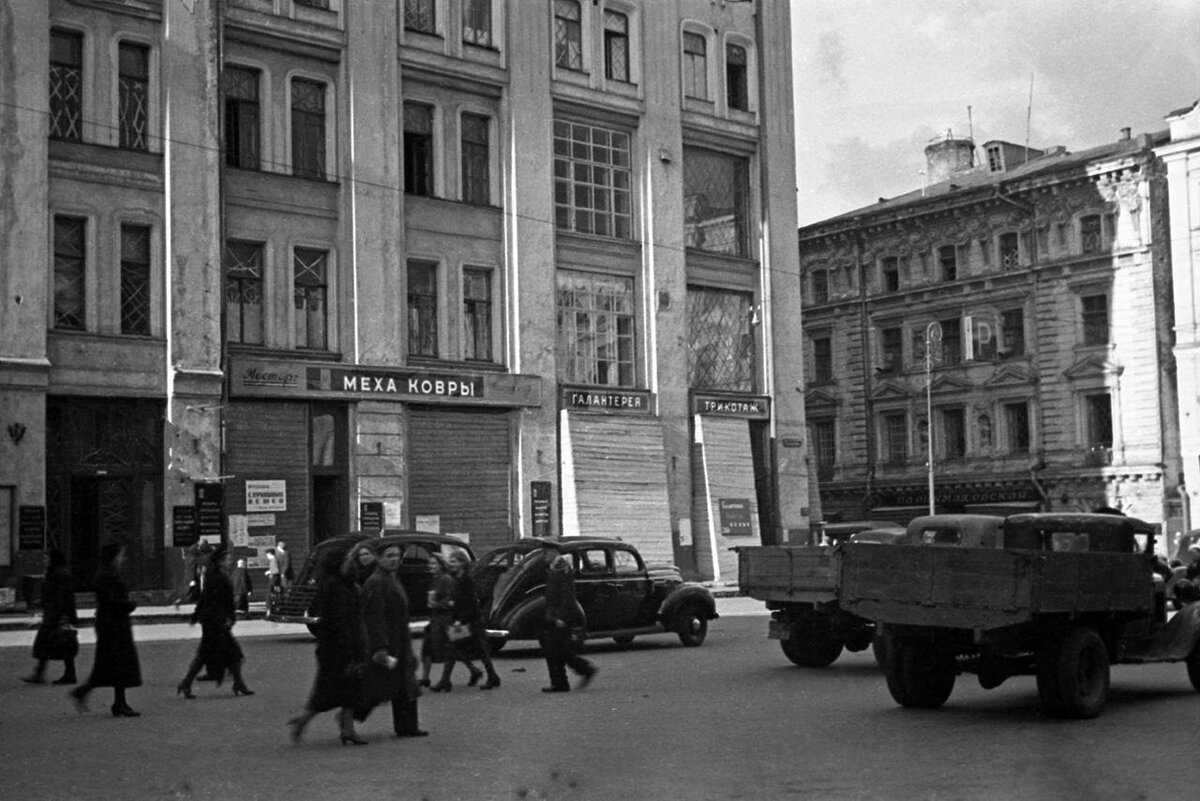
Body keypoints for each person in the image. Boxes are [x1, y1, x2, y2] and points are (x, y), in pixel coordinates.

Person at [287, 545, 369, 746]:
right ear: (338, 564)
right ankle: (302, 722)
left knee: (350, 690)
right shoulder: (336, 587)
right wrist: (350, 652)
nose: (351, 562)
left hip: (343, 646)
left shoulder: (345, 583)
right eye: (348, 559)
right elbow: (340, 623)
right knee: (329, 692)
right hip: (338, 649)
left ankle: (348, 730)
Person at [360, 543, 427, 738]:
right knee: (380, 686)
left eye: (397, 556)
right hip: (388, 642)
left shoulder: (391, 578)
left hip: (400, 640)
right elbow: (375, 616)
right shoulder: (376, 581)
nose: (394, 559)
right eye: (389, 556)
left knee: (404, 686)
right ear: (379, 558)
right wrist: (380, 646)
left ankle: (407, 727)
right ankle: (352, 714)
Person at [68, 542, 142, 717]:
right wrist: (130, 605)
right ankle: (117, 702)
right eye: (120, 555)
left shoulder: (107, 574)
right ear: (113, 558)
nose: (122, 559)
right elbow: (112, 601)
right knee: (117, 662)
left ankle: (115, 701)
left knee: (110, 663)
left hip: (111, 623)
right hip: (114, 624)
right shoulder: (107, 577)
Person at [176, 543, 254, 698]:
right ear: (220, 561)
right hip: (216, 622)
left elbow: (206, 599)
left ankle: (237, 683)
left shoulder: (215, 575)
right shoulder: (218, 577)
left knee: (219, 654)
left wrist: (197, 615)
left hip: (213, 621)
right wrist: (230, 618)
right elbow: (217, 600)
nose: (229, 561)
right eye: (227, 559)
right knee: (227, 654)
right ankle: (187, 683)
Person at [434, 550, 501, 692]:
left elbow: (470, 603)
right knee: (453, 649)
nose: (451, 564)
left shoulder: (466, 581)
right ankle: (446, 680)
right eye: (450, 561)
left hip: (470, 621)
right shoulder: (457, 579)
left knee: (479, 650)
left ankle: (491, 676)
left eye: (454, 561)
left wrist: (461, 620)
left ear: (462, 563)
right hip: (462, 619)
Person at [540, 554, 597, 693]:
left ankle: (569, 678)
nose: (545, 557)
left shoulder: (562, 576)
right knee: (558, 650)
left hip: (560, 618)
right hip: (554, 617)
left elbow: (567, 598)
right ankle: (573, 675)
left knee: (554, 649)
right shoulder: (556, 574)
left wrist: (562, 618)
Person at [22, 548, 80, 685]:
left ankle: (44, 673)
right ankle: (63, 673)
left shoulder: (60, 574)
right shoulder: (53, 573)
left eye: (47, 558)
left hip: (57, 615)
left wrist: (60, 615)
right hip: (53, 613)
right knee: (55, 643)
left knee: (54, 642)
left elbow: (63, 597)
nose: (44, 560)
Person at [420, 554, 453, 689]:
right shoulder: (435, 579)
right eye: (430, 564)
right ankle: (425, 678)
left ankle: (445, 679)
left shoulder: (446, 579)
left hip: (444, 620)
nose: (431, 567)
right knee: (427, 648)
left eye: (434, 564)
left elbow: (451, 599)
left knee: (449, 650)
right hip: (435, 619)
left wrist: (438, 605)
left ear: (441, 565)